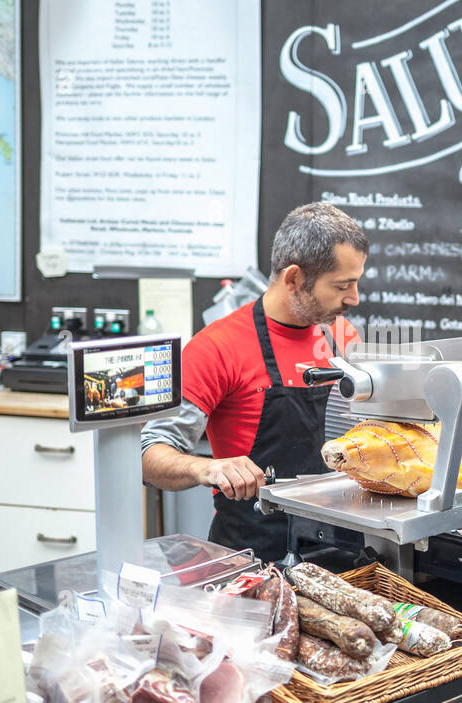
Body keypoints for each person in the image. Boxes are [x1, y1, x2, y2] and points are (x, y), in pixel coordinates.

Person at [141, 202, 366, 562]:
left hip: (341, 552)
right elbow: (149, 457)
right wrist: (207, 468)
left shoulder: (341, 336)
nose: (354, 298)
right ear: (294, 278)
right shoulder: (216, 348)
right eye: (342, 285)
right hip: (253, 558)